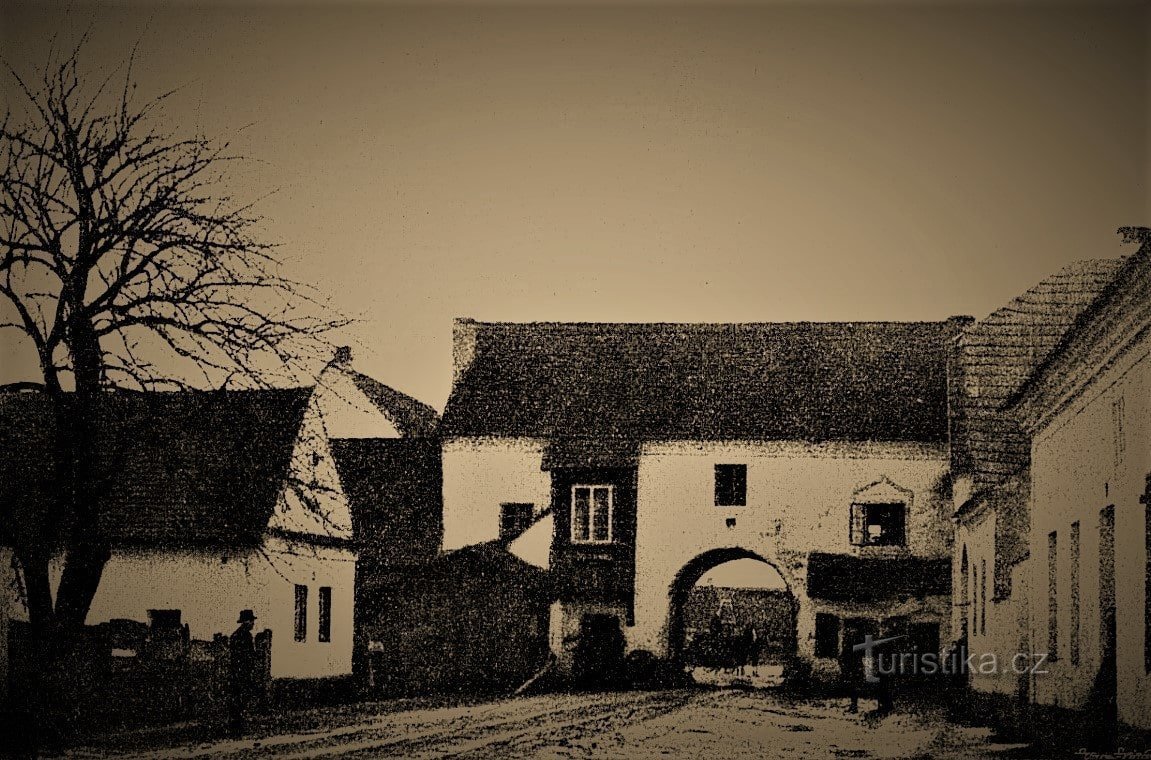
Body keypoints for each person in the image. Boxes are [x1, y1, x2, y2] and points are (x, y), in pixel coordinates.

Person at [228, 609, 258, 737]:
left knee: (237, 699)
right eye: (252, 621)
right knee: (241, 699)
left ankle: (236, 726)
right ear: (247, 622)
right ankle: (239, 727)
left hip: (235, 672)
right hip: (243, 672)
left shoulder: (234, 636)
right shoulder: (245, 636)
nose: (253, 623)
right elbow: (249, 655)